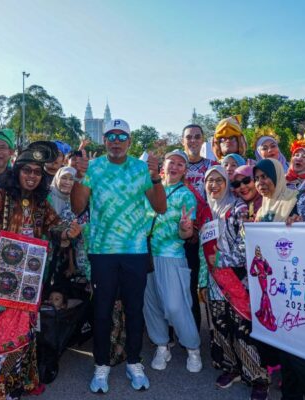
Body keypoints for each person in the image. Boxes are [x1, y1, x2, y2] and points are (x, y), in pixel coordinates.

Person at [0, 141, 81, 399]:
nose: (32, 176)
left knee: (27, 329)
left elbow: (55, 226)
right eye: (26, 170)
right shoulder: (0, 197)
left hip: (30, 277)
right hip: (4, 278)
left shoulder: (40, 202)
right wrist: (0, 253)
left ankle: (19, 382)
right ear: (16, 171)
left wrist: (68, 231)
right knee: (3, 332)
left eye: (37, 172)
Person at [71, 118, 166, 394]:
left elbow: (160, 208)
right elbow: (77, 207)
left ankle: (134, 362)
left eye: (121, 136)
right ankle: (101, 364)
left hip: (135, 251)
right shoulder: (93, 167)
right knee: (102, 310)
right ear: (104, 141)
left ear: (129, 141)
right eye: (110, 136)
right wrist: (79, 176)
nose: (116, 141)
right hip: (102, 251)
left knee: (134, 309)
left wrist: (156, 177)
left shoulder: (140, 168)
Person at [253, 158, 305, 400]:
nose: (260, 182)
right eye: (257, 178)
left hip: (303, 291)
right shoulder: (263, 209)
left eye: (265, 176)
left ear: (278, 176)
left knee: (303, 359)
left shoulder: (300, 199)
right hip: (279, 294)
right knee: (288, 356)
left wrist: (302, 227)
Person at [202, 165, 272, 399]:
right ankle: (231, 367)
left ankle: (258, 377)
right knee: (220, 325)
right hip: (214, 279)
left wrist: (222, 260)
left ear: (226, 184)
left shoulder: (238, 208)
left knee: (243, 328)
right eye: (209, 181)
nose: (214, 185)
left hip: (238, 278)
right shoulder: (205, 211)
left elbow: (246, 246)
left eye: (219, 180)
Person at [142, 150, 201, 373]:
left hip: (172, 256)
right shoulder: (148, 190)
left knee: (176, 306)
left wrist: (186, 228)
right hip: (145, 254)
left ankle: (193, 348)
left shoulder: (186, 195)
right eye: (171, 162)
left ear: (185, 171)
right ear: (163, 166)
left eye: (180, 164)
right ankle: (161, 345)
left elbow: (186, 234)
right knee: (151, 304)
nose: (174, 167)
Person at [181, 123, 215, 332]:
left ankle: (215, 332)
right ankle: (191, 330)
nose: (193, 140)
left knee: (209, 283)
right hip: (182, 235)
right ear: (182, 141)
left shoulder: (212, 165)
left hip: (208, 233)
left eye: (196, 136)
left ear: (203, 140)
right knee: (187, 285)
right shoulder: (175, 165)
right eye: (189, 137)